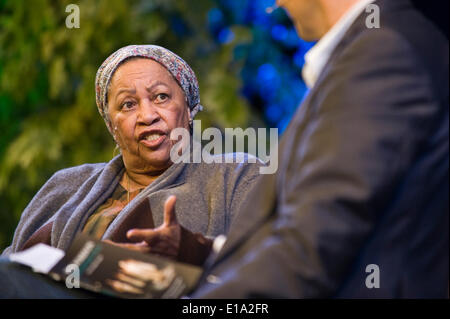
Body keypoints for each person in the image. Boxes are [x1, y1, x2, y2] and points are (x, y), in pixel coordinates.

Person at [190, 0, 449, 298]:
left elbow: (312, 250)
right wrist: (200, 251)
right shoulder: (376, 46)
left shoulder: (383, 52)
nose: (276, 2)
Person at [1, 45, 262, 267]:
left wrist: (194, 250)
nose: (147, 116)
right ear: (111, 126)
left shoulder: (236, 175)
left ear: (189, 108)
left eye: (161, 97)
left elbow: (271, 264)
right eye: (128, 104)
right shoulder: (65, 185)